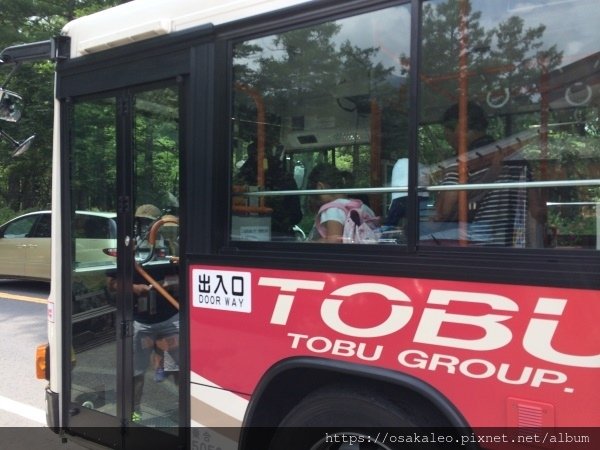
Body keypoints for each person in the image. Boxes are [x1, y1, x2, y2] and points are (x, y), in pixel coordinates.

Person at [106, 204, 180, 422]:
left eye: (150, 223)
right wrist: (134, 288)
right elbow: (111, 283)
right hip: (138, 321)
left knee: (178, 368)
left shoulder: (172, 247)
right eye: (140, 222)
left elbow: (187, 275)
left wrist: (167, 284)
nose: (145, 227)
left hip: (170, 318)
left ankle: (183, 412)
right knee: (135, 371)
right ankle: (133, 412)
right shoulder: (126, 248)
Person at [236, 140, 302, 239]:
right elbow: (296, 215)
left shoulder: (241, 177)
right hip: (279, 236)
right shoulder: (284, 177)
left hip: (242, 235)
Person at [307, 163, 377, 243]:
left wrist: (311, 243)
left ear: (320, 187)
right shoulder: (362, 206)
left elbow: (334, 242)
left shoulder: (332, 210)